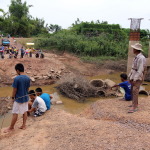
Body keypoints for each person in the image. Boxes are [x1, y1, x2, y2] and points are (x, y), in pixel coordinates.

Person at [4, 63, 30, 133]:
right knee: (24, 112)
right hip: (25, 97)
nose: (16, 72)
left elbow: (14, 90)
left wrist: (13, 98)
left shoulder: (17, 78)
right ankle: (24, 125)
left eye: (16, 71)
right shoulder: (28, 78)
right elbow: (27, 89)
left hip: (18, 99)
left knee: (15, 113)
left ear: (18, 70)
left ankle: (11, 127)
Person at [128, 43, 146, 113]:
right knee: (133, 90)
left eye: (134, 48)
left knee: (135, 91)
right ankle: (134, 104)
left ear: (136, 49)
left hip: (138, 77)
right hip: (134, 75)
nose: (133, 49)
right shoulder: (136, 57)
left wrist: (135, 79)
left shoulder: (141, 58)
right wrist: (130, 76)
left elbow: (140, 69)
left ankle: (134, 107)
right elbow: (133, 68)